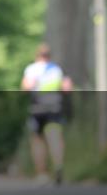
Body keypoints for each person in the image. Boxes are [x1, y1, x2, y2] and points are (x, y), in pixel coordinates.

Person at [21, 43, 73, 185]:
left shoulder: (32, 69)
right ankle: (58, 166)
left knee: (38, 140)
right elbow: (67, 87)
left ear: (37, 55)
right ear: (49, 56)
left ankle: (42, 174)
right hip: (54, 108)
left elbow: (26, 87)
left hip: (37, 109)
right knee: (55, 137)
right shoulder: (56, 69)